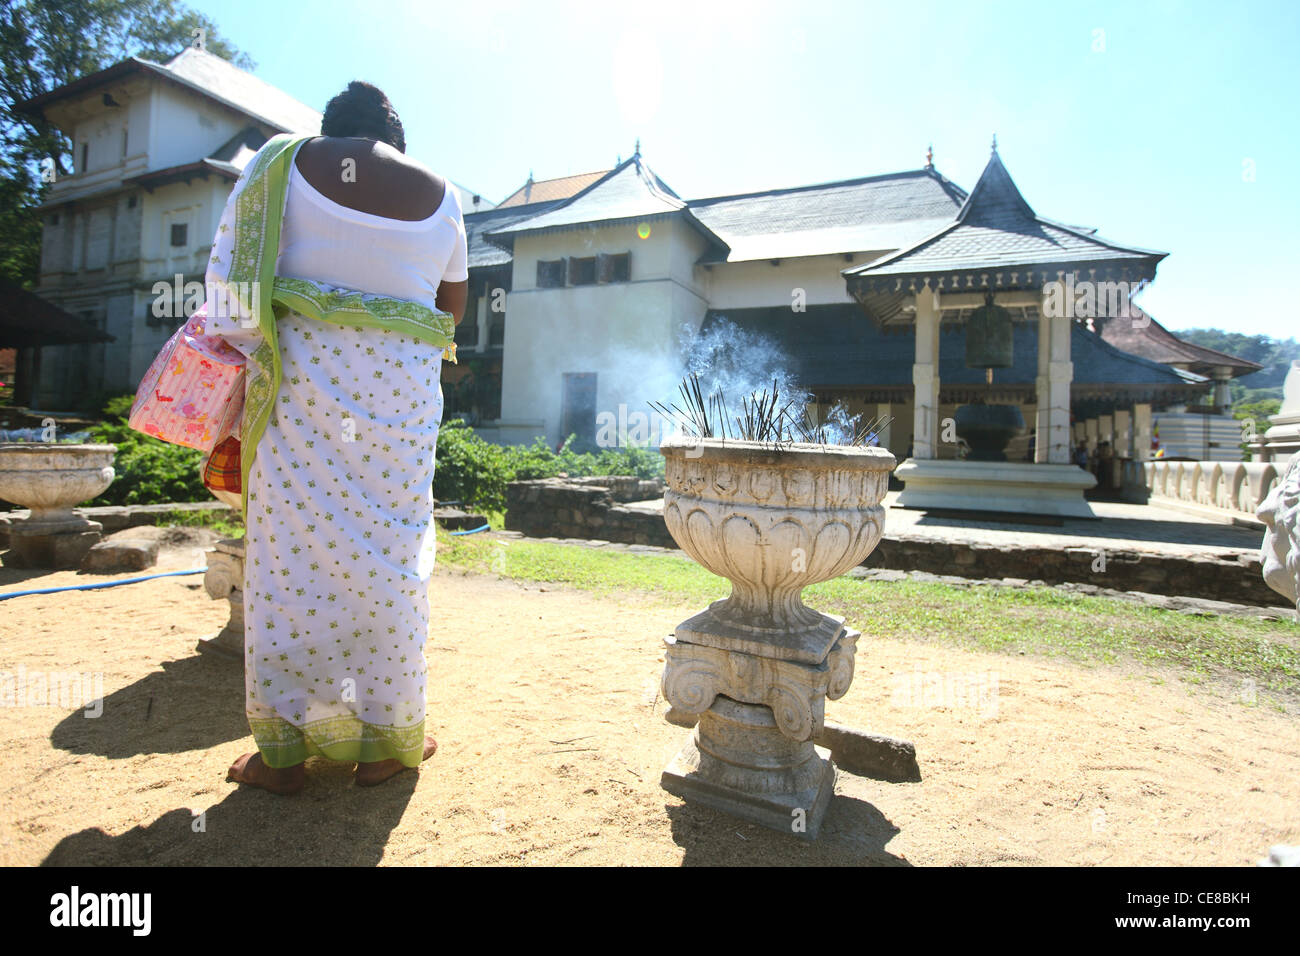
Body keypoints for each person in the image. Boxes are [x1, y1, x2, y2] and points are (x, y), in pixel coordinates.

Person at [205, 81, 468, 795]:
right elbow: (450, 314)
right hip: (400, 414)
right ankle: (387, 740)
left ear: (330, 128)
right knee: (390, 562)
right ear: (395, 136)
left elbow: (227, 298)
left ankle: (285, 754)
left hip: (302, 397)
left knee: (291, 566)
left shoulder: (277, 168)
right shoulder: (446, 196)